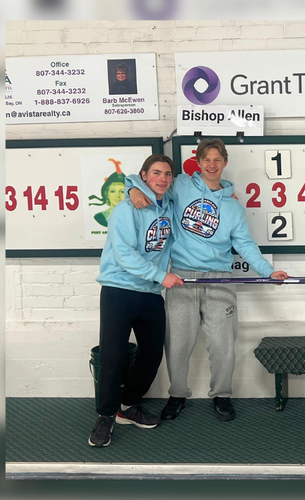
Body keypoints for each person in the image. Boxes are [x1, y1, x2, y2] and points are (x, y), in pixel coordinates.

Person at [126, 138, 287, 422]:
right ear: (198, 163)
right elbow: (146, 180)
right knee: (177, 343)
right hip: (181, 278)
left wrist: (267, 270)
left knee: (223, 343)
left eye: (217, 159)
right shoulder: (181, 185)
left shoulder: (234, 207)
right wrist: (131, 190)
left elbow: (246, 245)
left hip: (219, 279)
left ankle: (222, 396)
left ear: (225, 163)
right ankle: (176, 396)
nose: (212, 165)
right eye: (206, 159)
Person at [89, 154, 183, 448]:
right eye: (156, 173)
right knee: (113, 356)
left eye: (167, 174)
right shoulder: (126, 208)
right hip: (119, 289)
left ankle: (127, 406)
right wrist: (160, 275)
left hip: (151, 293)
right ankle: (105, 417)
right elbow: (124, 254)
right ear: (143, 176)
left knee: (153, 354)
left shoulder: (168, 206)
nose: (163, 179)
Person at [89, 160, 127, 227]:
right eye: (113, 191)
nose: (117, 195)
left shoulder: (135, 217)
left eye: (121, 191)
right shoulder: (100, 217)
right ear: (107, 194)